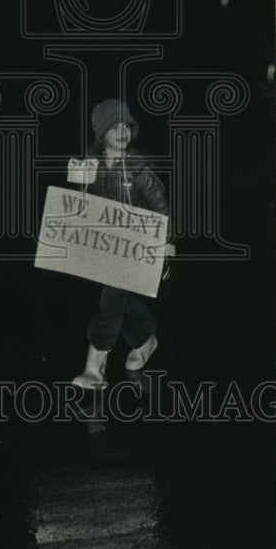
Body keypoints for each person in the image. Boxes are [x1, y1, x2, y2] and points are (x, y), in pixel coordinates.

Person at [71, 99, 170, 390]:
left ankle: (94, 368)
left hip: (140, 248)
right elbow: (83, 206)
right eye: (114, 127)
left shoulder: (139, 170)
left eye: (126, 125)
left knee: (112, 299)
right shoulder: (91, 164)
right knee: (119, 297)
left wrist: (165, 249)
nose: (122, 131)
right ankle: (144, 339)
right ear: (102, 133)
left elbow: (161, 211)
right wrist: (80, 182)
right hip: (108, 246)